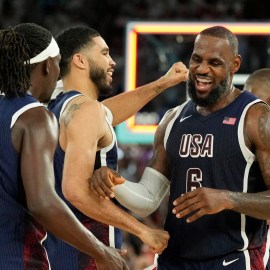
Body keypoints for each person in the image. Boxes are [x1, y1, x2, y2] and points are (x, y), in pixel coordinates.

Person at [90, 26, 270, 270]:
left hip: (232, 260)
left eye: (214, 63)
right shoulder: (172, 119)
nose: (202, 69)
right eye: (197, 59)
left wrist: (228, 199)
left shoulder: (256, 118)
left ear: (235, 65)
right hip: (173, 261)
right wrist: (114, 183)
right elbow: (148, 199)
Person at [45, 25, 188, 269]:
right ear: (80, 60)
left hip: (58, 248)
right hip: (88, 252)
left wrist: (163, 83)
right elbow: (75, 190)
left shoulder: (59, 106)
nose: (112, 61)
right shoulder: (87, 111)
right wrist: (143, 231)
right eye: (104, 53)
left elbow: (107, 113)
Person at [0, 23, 129, 270]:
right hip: (15, 258)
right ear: (48, 65)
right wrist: (101, 251)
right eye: (59, 63)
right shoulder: (35, 117)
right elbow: (43, 202)